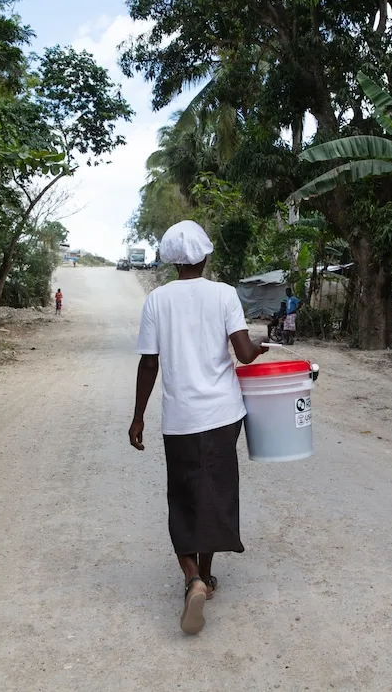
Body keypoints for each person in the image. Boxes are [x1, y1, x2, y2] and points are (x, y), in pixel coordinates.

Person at [129, 220, 268, 635]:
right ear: (206, 256)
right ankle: (205, 577)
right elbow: (243, 355)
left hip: (182, 419)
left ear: (172, 261)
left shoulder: (157, 300)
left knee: (185, 496)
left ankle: (191, 577)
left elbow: (149, 363)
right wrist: (259, 346)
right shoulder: (225, 295)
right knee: (216, 493)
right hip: (224, 416)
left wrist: (138, 416)